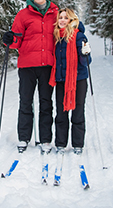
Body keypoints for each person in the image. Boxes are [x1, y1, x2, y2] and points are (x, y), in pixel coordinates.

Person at [2, 0, 58, 153]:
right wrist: (10, 39)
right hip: (27, 66)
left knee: (46, 103)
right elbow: (16, 41)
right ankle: (24, 138)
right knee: (25, 101)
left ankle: (45, 140)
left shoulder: (56, 14)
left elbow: (65, 31)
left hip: (48, 66)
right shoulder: (23, 15)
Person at [49, 8, 91, 155]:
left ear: (71, 20)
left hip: (78, 80)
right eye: (60, 17)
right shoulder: (56, 37)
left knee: (78, 112)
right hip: (61, 80)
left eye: (65, 18)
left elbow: (86, 62)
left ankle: (77, 144)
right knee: (61, 112)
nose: (62, 20)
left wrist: (85, 53)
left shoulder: (79, 37)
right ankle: (60, 143)